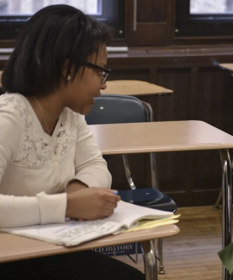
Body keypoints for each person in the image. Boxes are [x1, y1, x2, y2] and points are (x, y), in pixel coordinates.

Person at [0, 5, 144, 280]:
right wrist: (67, 205)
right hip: (11, 255)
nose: (103, 85)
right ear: (68, 68)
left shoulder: (70, 115)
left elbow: (96, 165)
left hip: (51, 247)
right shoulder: (9, 117)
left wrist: (79, 189)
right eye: (100, 71)